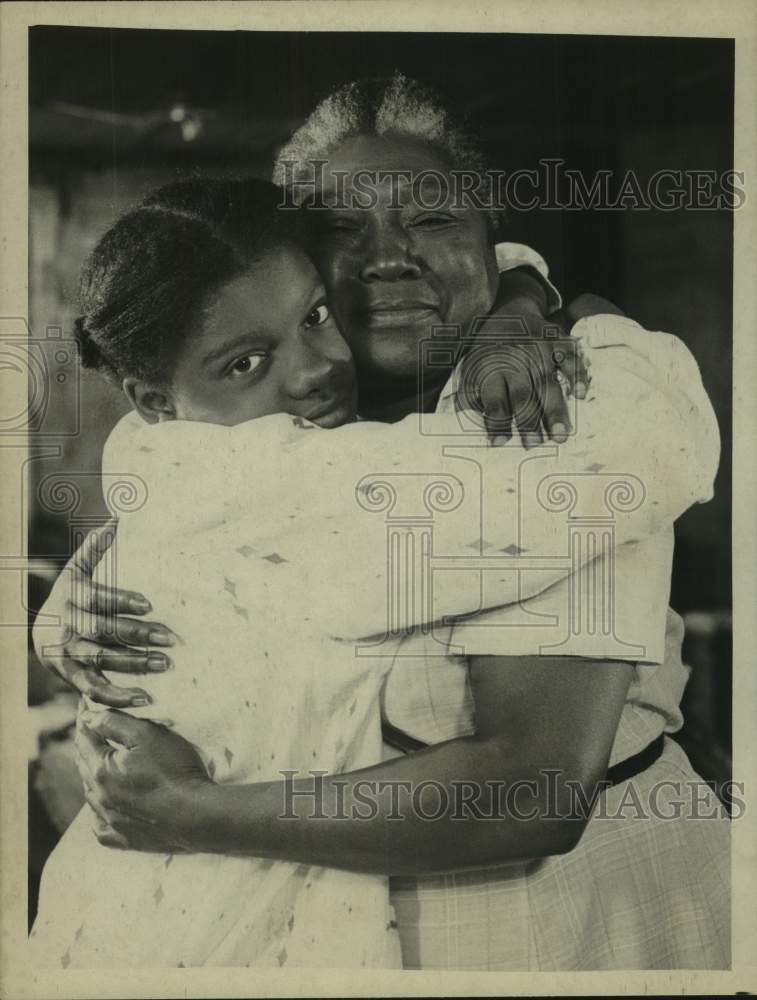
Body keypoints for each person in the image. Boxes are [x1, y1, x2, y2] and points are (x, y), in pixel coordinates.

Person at [33, 75, 730, 970]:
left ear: (489, 239)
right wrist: (73, 613)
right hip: (338, 921)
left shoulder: (561, 409)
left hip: (566, 920)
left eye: (434, 220)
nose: (387, 257)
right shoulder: (294, 423)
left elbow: (536, 791)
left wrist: (193, 813)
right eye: (338, 229)